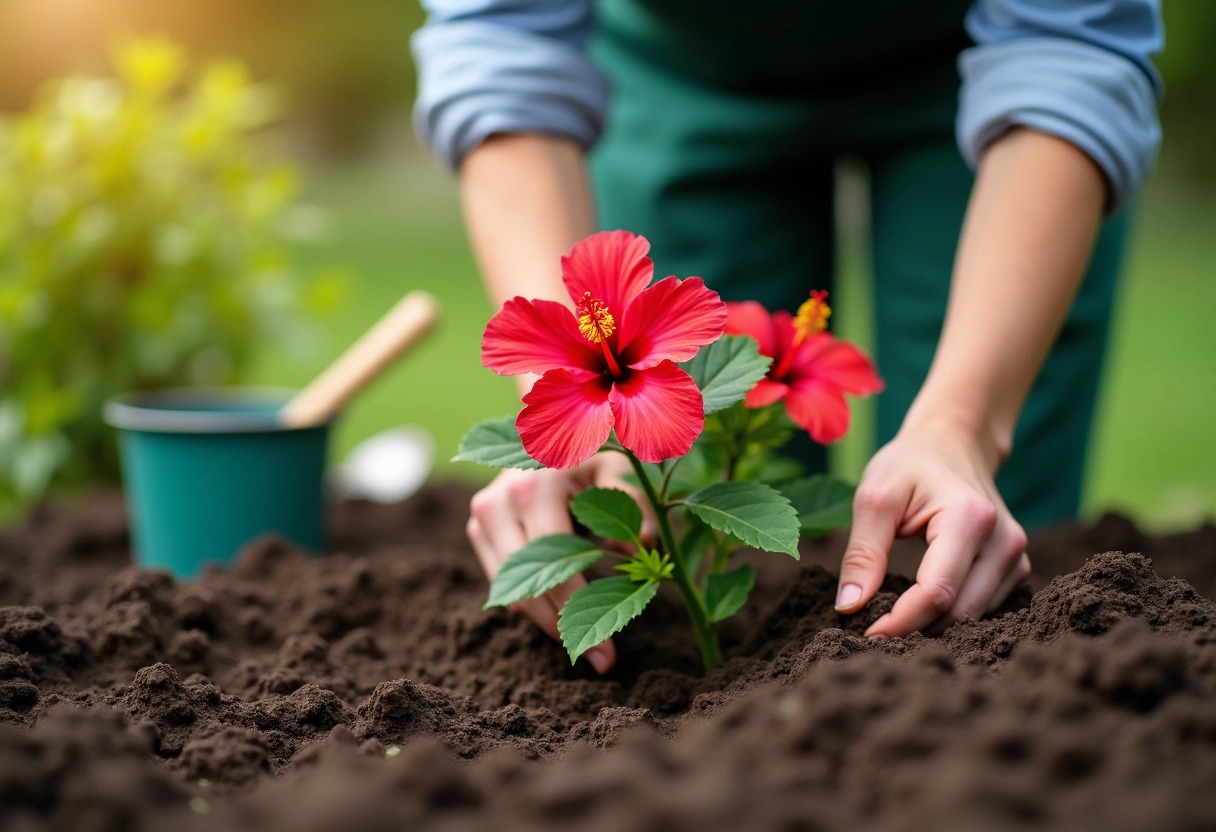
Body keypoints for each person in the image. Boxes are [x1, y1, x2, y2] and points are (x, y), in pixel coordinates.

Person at [411, 0, 1164, 672]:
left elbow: (1071, 43)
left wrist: (965, 423)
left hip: (976, 72)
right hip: (683, 68)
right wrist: (561, 436)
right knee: (693, 514)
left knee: (977, 555)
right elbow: (501, 35)